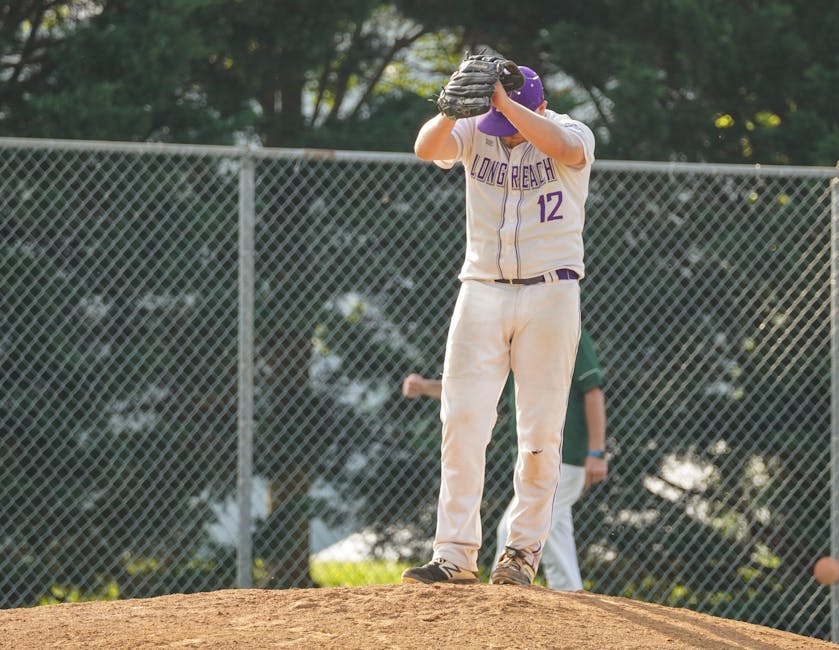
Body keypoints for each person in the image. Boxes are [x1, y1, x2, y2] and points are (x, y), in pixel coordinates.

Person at [400, 59, 596, 587]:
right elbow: (426, 148)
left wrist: (509, 108)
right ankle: (454, 554)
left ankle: (521, 554)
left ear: (538, 105)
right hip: (481, 287)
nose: (499, 130)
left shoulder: (570, 130)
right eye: (494, 118)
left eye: (505, 116)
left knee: (538, 430)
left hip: (551, 290)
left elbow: (567, 149)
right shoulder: (475, 128)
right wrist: (449, 112)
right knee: (461, 420)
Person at [402, 327, 607, 590]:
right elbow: (476, 391)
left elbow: (593, 391)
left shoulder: (567, 331)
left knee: (512, 531)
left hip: (565, 459)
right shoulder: (516, 341)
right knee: (555, 536)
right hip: (539, 461)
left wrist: (596, 452)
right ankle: (572, 597)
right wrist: (425, 387)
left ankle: (501, 603)